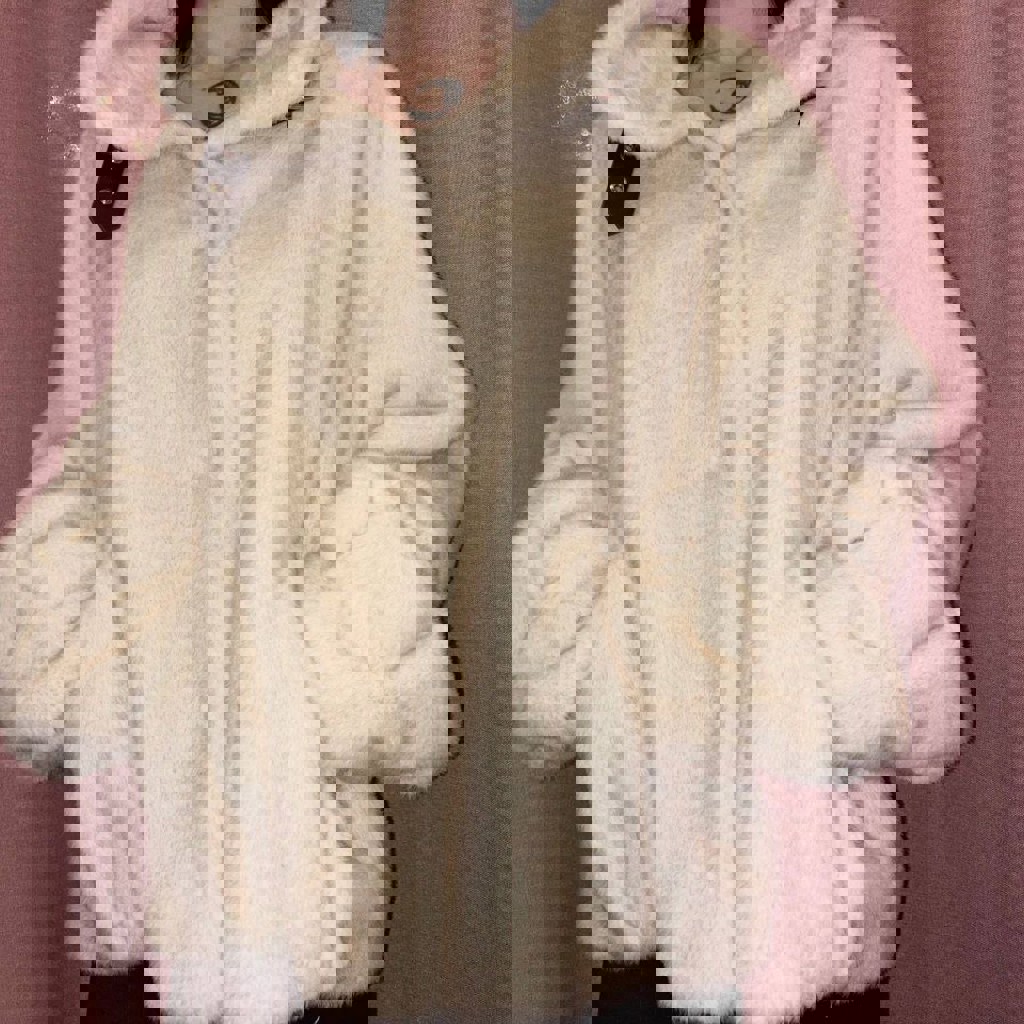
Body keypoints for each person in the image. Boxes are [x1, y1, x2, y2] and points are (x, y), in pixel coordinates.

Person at [512, 0, 982, 1020]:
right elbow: (589, 423)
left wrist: (833, 655)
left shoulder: (852, 87)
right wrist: (590, 628)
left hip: (796, 788)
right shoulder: (626, 119)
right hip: (648, 776)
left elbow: (924, 413)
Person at [0, 1, 468, 1021]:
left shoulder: (346, 104)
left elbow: (410, 421)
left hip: (287, 759)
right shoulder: (115, 129)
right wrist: (74, 652)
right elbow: (78, 431)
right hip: (137, 763)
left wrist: (335, 658)